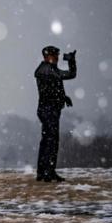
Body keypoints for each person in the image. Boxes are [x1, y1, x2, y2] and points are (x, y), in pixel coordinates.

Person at [34, 45, 77, 182]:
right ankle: (48, 172)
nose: (57, 58)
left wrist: (63, 97)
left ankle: (43, 172)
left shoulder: (48, 69)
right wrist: (71, 62)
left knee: (47, 141)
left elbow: (53, 87)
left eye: (57, 55)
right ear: (47, 56)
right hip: (48, 110)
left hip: (48, 109)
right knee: (51, 142)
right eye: (55, 55)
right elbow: (68, 75)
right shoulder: (47, 70)